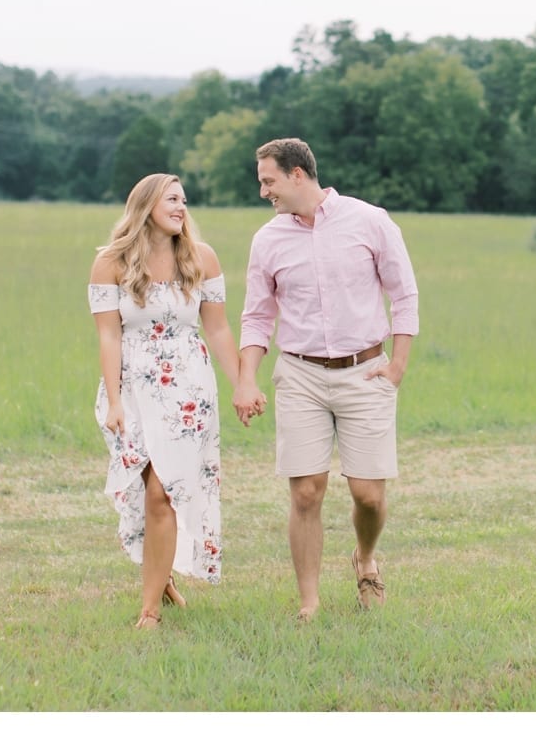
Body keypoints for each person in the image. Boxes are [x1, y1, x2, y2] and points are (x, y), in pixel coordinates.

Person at [238, 138, 419, 621]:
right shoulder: (268, 240)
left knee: (368, 494)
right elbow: (256, 317)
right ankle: (309, 603)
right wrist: (246, 379)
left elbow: (404, 294)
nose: (263, 192)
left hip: (366, 372)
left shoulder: (370, 221)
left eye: (268, 181)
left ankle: (365, 557)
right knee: (306, 491)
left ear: (298, 174)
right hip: (299, 373)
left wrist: (397, 365)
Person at [88, 173, 265, 629]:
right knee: (148, 494)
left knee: (164, 492)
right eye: (172, 199)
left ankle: (149, 610)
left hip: (188, 389)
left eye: (184, 200)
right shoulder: (110, 263)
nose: (182, 207)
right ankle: (160, 577)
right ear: (145, 205)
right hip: (133, 388)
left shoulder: (201, 258)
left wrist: (243, 383)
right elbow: (108, 336)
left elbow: (219, 328)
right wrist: (114, 401)